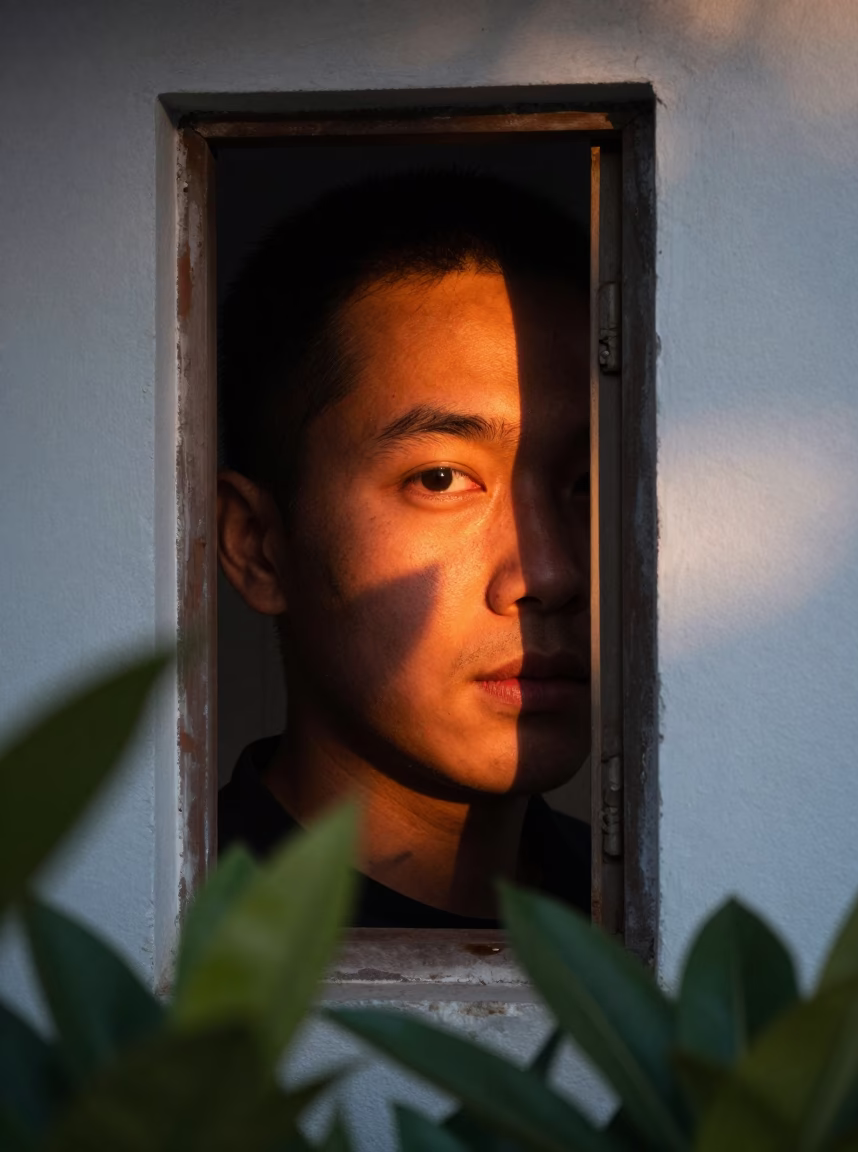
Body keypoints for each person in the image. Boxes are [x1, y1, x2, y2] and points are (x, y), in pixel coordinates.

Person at [217, 171, 591, 927]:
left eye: (589, 482)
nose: (552, 574)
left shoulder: (655, 924)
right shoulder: (164, 941)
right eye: (441, 478)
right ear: (258, 546)